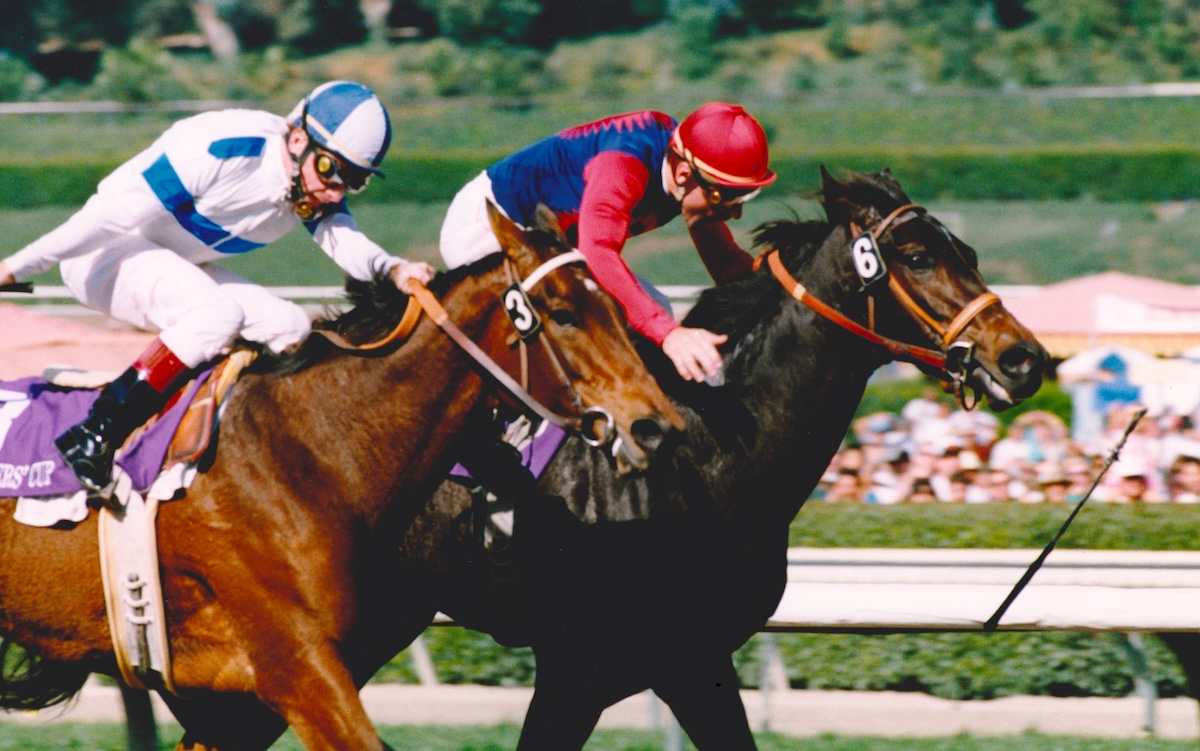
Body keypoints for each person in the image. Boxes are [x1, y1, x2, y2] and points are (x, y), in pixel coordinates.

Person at [0, 81, 436, 496]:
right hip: (102, 254)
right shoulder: (220, 148)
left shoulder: (307, 179)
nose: (335, 189)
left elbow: (344, 241)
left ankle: (243, 444)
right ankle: (95, 432)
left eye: (353, 180)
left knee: (291, 326)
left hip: (170, 262)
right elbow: (103, 221)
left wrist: (396, 269)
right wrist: (14, 267)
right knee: (215, 315)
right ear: (299, 139)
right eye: (331, 170)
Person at [438, 103, 775, 383]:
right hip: (489, 229)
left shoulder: (686, 174)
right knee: (612, 325)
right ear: (685, 174)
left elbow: (727, 263)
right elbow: (597, 251)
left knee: (653, 311)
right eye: (726, 198)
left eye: (741, 198)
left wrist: (780, 292)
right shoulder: (624, 164)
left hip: (548, 245)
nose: (735, 214)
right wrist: (669, 335)